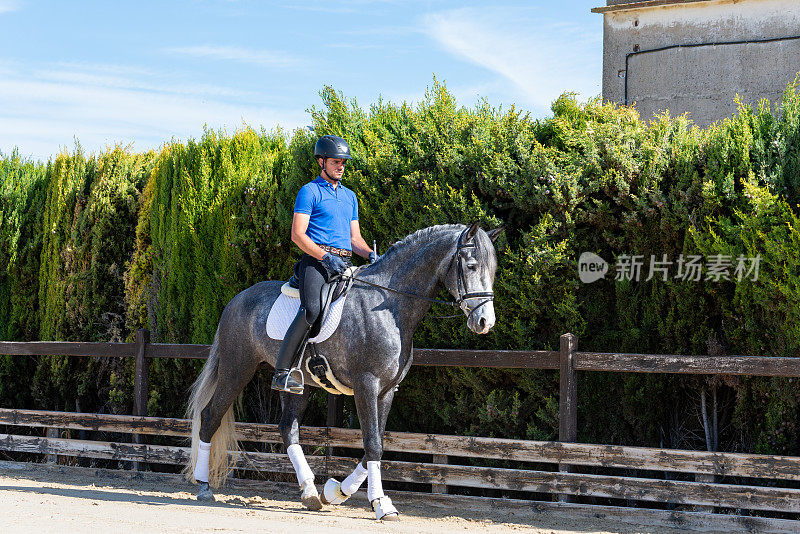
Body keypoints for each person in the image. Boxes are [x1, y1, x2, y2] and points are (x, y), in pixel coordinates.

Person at [272, 134, 379, 394]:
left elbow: (355, 239)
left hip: (343, 264)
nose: (341, 166)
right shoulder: (309, 192)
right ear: (321, 161)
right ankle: (282, 372)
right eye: (335, 162)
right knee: (312, 309)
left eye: (343, 162)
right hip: (317, 262)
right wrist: (324, 257)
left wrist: (371, 256)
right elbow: (298, 234)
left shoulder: (350, 197)